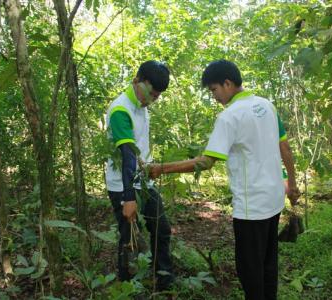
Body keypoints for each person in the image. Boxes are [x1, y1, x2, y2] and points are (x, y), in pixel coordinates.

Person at [148, 59, 300, 299]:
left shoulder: (230, 116)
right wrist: (291, 184)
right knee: (269, 264)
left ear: (227, 83)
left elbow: (206, 162)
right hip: (273, 200)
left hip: (251, 208)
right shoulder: (266, 105)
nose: (214, 96)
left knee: (250, 270)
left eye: (214, 90)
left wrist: (162, 168)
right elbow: (285, 148)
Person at [105, 60, 174, 290]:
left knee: (161, 228)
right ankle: (127, 287)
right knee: (129, 239)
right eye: (151, 93)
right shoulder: (120, 110)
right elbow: (128, 156)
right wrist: (129, 198)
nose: (152, 100)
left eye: (157, 96)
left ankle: (163, 278)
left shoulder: (142, 107)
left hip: (145, 182)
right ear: (137, 81)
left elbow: (141, 150)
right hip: (123, 185)